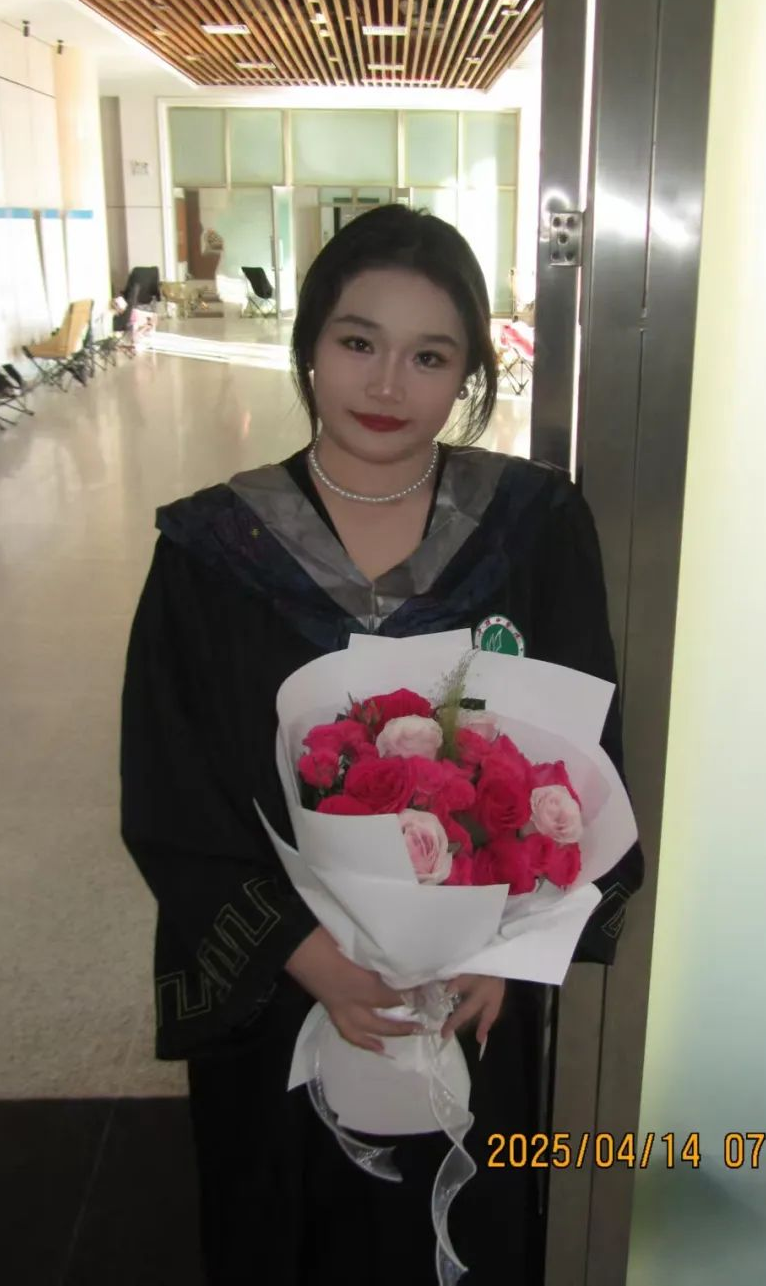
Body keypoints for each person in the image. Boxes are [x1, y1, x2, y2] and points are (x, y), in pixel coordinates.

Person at [120, 205, 644, 1285]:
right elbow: (172, 781)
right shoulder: (213, 551)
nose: (387, 383)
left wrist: (503, 949)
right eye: (359, 341)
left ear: (469, 375)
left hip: (473, 983)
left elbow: (584, 752)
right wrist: (306, 954)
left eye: (430, 356)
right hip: (286, 985)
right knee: (286, 1228)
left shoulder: (533, 529)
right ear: (310, 341)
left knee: (462, 1224)